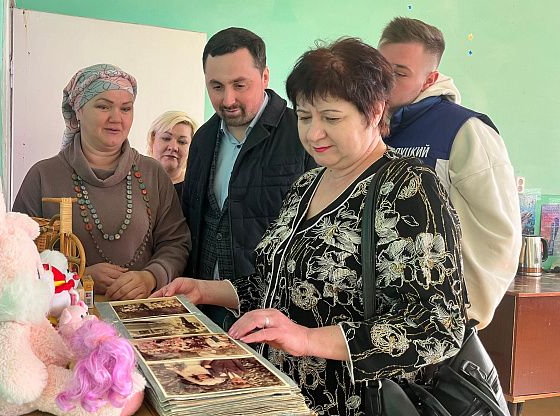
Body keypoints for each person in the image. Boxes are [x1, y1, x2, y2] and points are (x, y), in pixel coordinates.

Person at [153, 38, 467, 415]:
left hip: (354, 403)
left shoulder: (409, 189)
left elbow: (438, 327)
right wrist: (205, 290)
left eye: (331, 118)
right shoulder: (308, 184)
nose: (314, 133)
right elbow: (277, 287)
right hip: (284, 397)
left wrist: (307, 339)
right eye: (304, 117)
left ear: (374, 111)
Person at [378, 17, 521, 328]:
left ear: (429, 79)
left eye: (399, 73)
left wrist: (465, 313)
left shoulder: (465, 131)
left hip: (436, 320)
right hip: (378, 315)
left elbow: (500, 236)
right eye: (379, 70)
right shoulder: (369, 129)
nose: (383, 82)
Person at [13, 64, 190, 301]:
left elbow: (176, 243)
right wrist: (77, 276)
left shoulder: (153, 174)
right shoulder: (43, 176)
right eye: (103, 106)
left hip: (141, 313)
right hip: (66, 315)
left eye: (126, 108)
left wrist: (150, 277)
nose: (116, 118)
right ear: (78, 111)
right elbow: (18, 254)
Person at [181, 27, 314, 330]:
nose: (227, 99)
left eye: (239, 85)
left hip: (273, 312)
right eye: (216, 86)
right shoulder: (202, 139)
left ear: (265, 77)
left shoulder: (302, 135)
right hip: (203, 307)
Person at [145, 110, 199, 199]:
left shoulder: (196, 191)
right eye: (166, 138)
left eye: (182, 142)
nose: (173, 147)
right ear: (152, 140)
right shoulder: (133, 183)